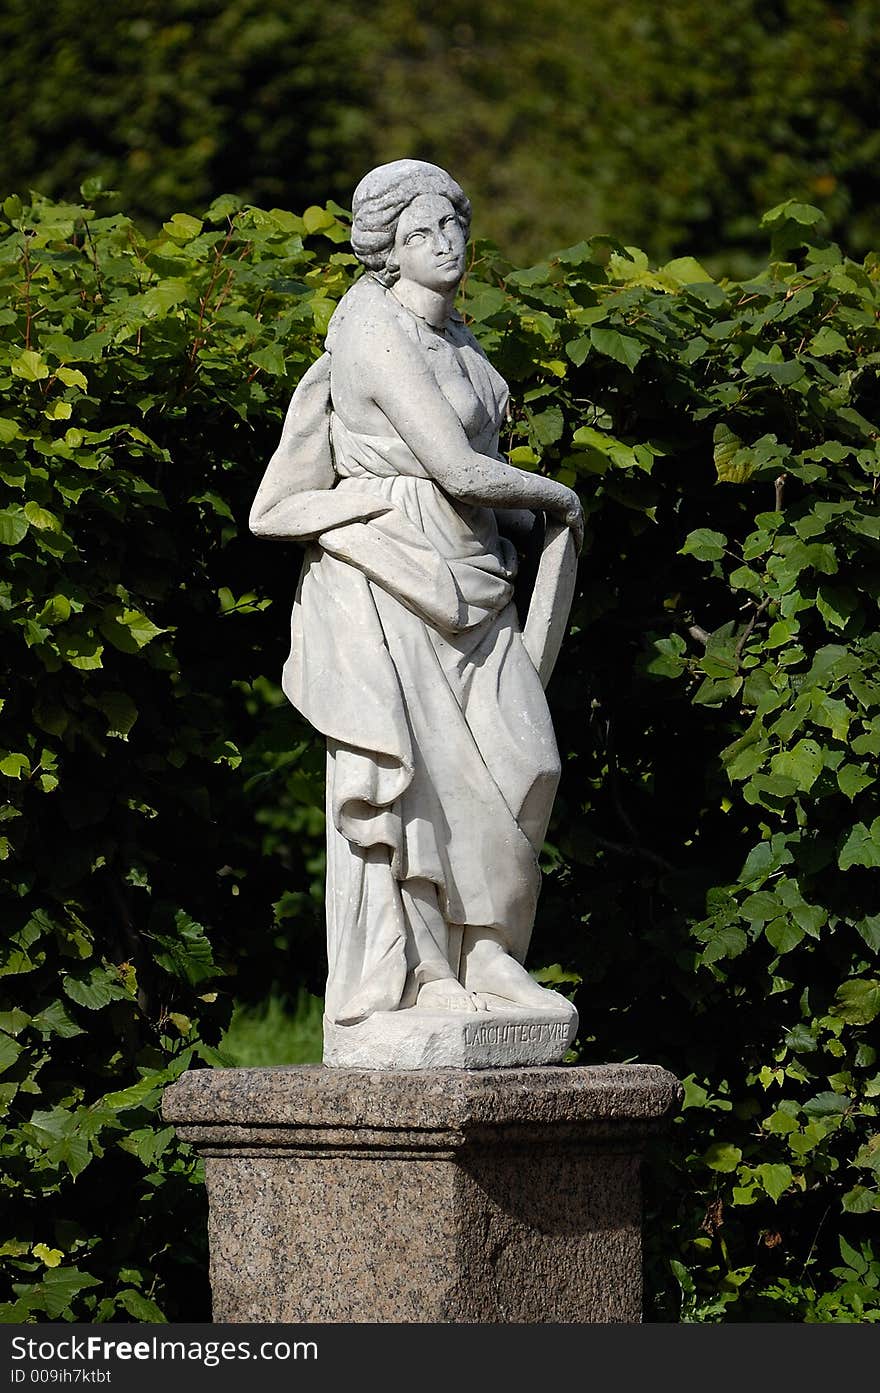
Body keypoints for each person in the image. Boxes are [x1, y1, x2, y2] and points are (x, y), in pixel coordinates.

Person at [250, 159, 583, 1032]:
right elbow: (454, 466)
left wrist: (529, 527)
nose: (443, 245)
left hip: (473, 575)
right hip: (389, 574)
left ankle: (491, 952)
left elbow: (481, 488)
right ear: (388, 253)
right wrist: (562, 498)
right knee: (413, 786)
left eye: (452, 228)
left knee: (528, 758)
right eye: (419, 234)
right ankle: (430, 969)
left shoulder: (462, 343)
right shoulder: (373, 330)